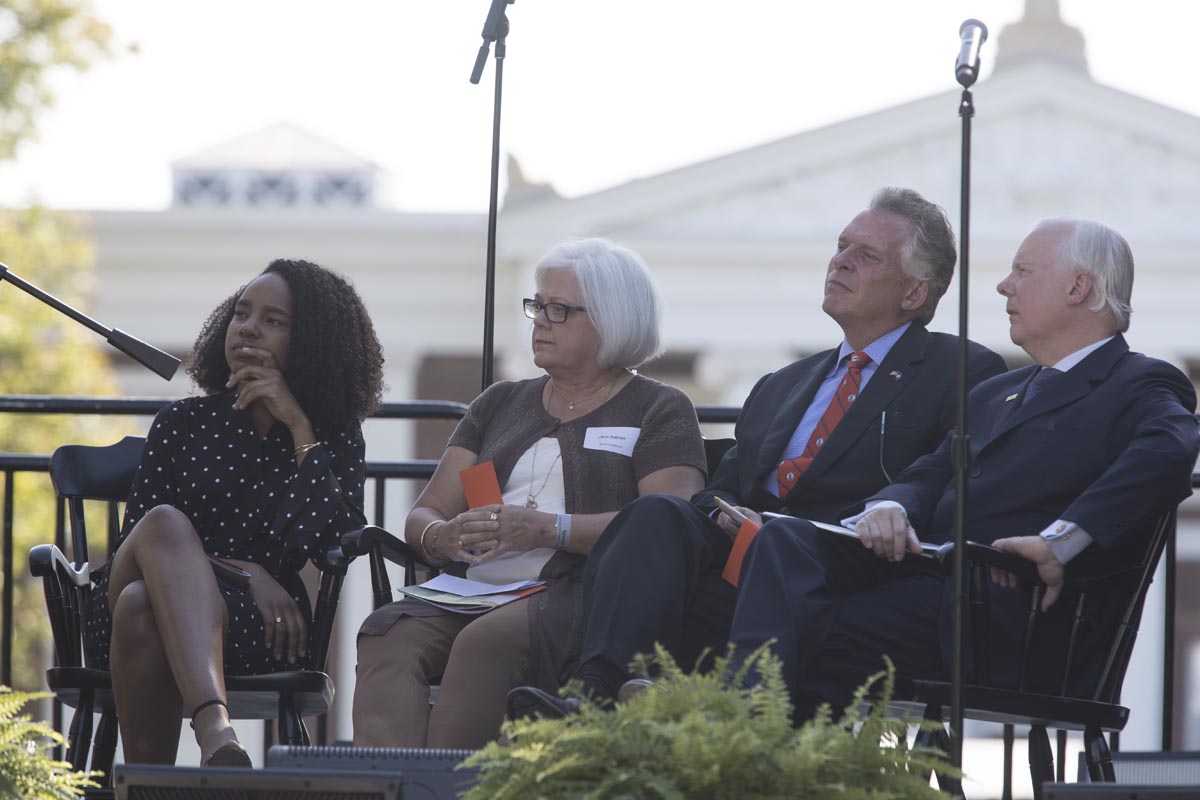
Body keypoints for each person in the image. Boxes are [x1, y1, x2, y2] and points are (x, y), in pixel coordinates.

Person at [507, 187, 1007, 719]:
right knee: (655, 513)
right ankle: (597, 698)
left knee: (761, 552)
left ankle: (693, 726)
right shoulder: (782, 385)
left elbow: (941, 486)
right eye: (841, 246)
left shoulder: (960, 370)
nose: (841, 261)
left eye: (866, 256)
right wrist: (724, 515)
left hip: (845, 572)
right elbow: (721, 488)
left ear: (914, 293)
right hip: (742, 562)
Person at [727, 218, 1200, 720]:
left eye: (1022, 271)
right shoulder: (996, 392)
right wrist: (892, 506)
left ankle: (740, 742)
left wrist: (1060, 541)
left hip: (1008, 612)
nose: (1004, 286)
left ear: (1078, 287)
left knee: (790, 628)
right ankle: (750, 735)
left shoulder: (1139, 382)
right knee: (785, 540)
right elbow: (932, 472)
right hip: (926, 581)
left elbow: (1168, 451)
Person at [352, 238, 707, 749]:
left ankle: (448, 784)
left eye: (558, 309)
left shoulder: (659, 407)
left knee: (484, 642)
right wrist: (441, 537)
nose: (539, 321)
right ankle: (387, 781)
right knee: (387, 632)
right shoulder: (500, 402)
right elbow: (426, 511)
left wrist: (549, 530)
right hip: (473, 591)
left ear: (611, 319)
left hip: (580, 594)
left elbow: (668, 523)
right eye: (537, 306)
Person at [82, 259, 384, 765]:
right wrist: (247, 573)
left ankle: (150, 786)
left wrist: (299, 428)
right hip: (136, 598)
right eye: (241, 313)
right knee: (162, 529)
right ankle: (216, 731)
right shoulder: (182, 422)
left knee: (140, 607)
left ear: (311, 342)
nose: (247, 327)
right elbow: (141, 543)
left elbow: (336, 542)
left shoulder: (333, 436)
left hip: (260, 625)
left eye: (272, 320)